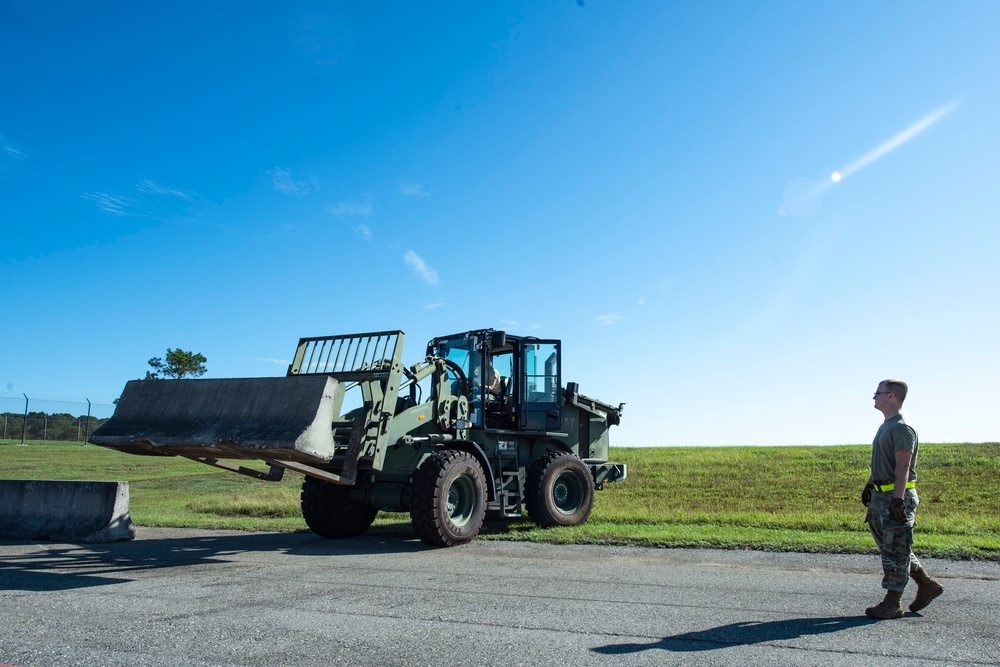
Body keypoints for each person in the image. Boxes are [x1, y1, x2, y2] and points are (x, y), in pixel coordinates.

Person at [862, 379, 944, 619]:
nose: (873, 396)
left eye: (878, 393)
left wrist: (898, 500)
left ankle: (892, 603)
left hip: (895, 497)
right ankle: (926, 584)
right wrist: (869, 485)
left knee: (896, 548)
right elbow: (883, 462)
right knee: (893, 547)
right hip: (881, 495)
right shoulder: (886, 425)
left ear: (891, 396)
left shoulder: (902, 427)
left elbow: (903, 466)